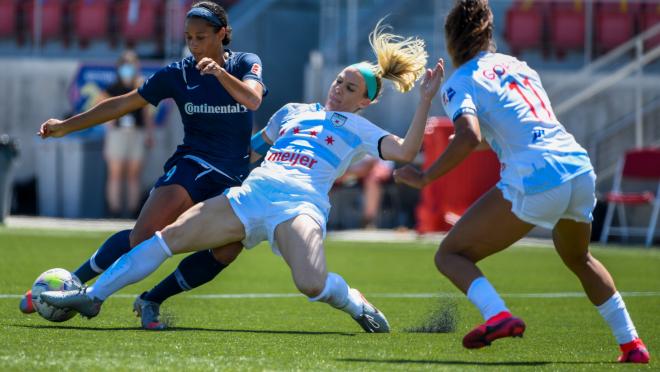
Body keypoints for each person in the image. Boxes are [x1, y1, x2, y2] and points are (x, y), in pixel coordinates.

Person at [41, 21, 443, 333]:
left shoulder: (360, 129)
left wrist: (424, 100)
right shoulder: (292, 111)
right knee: (170, 237)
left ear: (365, 101)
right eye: (340, 79)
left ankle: (356, 304)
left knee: (311, 283)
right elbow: (248, 149)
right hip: (253, 192)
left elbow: (406, 151)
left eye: (350, 87)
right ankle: (92, 296)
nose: (339, 88)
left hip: (299, 204)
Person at [393, 0, 649, 363]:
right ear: (488, 34)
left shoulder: (460, 81)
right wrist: (479, 142)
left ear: (450, 40)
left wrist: (424, 176)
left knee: (450, 254)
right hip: (577, 168)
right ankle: (632, 345)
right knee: (579, 258)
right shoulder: (518, 66)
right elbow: (516, 126)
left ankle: (497, 315)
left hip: (536, 177)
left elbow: (467, 137)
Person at [22, 1, 266, 331]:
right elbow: (124, 103)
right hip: (192, 166)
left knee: (228, 249)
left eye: (201, 37)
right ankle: (69, 284)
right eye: (188, 38)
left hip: (233, 176)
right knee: (143, 237)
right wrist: (67, 125)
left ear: (222, 34)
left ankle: (152, 299)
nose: (194, 45)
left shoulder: (245, 64)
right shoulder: (177, 74)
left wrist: (220, 74)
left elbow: (252, 99)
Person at [103, 50, 154, 219]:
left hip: (136, 133)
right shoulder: (112, 88)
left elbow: (147, 114)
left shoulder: (141, 87)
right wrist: (108, 137)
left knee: (133, 174)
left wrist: (149, 133)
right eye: (124, 65)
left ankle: (133, 210)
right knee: (115, 173)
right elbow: (106, 115)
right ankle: (114, 210)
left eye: (130, 65)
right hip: (118, 133)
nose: (127, 69)